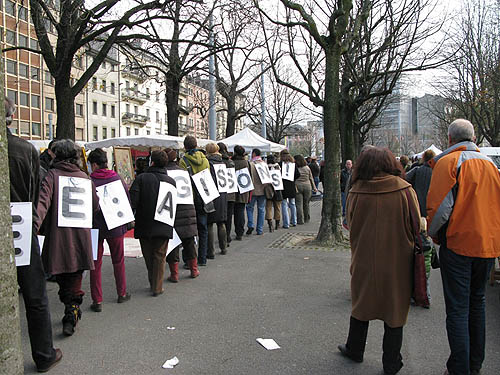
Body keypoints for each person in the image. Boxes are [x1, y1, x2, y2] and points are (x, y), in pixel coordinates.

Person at [426, 119, 500, 375]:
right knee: (477, 304)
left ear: (449, 139)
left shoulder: (448, 163)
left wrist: (434, 237)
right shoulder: (491, 165)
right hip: (488, 245)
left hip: (459, 245)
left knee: (457, 308)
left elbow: (438, 211)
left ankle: (459, 368)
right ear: (474, 138)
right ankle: (474, 364)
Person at [338, 147, 419, 375]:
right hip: (398, 259)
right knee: (394, 310)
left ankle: (355, 349)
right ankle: (391, 362)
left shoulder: (356, 191)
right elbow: (415, 225)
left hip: (364, 257)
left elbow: (350, 224)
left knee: (361, 304)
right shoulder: (405, 190)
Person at [6, 98, 62, 372]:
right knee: (35, 295)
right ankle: (43, 354)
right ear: (12, 117)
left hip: (20, 224)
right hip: (20, 227)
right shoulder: (24, 149)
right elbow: (32, 192)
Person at [36, 139, 99, 337]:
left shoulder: (52, 175)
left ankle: (71, 311)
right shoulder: (85, 178)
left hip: (59, 238)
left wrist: (33, 227)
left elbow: (42, 204)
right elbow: (95, 205)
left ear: (58, 155)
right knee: (75, 274)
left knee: (63, 276)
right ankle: (72, 309)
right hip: (80, 236)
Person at [87, 148, 131, 313]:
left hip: (95, 226)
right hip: (115, 225)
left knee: (95, 264)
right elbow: (126, 199)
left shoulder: (89, 181)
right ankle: (122, 292)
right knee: (118, 260)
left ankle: (97, 300)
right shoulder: (117, 178)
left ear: (95, 164)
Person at [129, 150, 176, 296]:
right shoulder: (171, 181)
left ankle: (153, 282)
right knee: (160, 255)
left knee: (148, 254)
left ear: (152, 162)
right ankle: (157, 286)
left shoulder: (142, 178)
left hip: (144, 222)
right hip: (164, 222)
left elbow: (133, 201)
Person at [406, 149, 436, 306]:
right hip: (431, 206)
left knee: (418, 231)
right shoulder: (436, 171)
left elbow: (404, 179)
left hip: (418, 206)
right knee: (426, 232)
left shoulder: (417, 170)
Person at [164, 148, 200, 278]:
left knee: (173, 242)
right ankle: (194, 270)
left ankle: (174, 274)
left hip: (171, 210)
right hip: (188, 207)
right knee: (189, 241)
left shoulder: (165, 172)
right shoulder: (184, 171)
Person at [179, 135, 210, 266]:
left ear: (185, 147)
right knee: (203, 229)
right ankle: (202, 258)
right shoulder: (205, 160)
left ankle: (189, 260)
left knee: (189, 231)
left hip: (190, 199)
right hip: (203, 197)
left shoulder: (183, 161)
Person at [205, 143, 228, 258]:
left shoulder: (209, 164)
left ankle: (211, 251)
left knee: (209, 224)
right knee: (221, 222)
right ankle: (223, 247)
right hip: (223, 195)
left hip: (212, 195)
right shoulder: (222, 163)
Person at [246, 148, 268, 235]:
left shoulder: (251, 164)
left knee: (249, 208)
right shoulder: (264, 164)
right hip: (263, 190)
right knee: (261, 209)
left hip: (253, 190)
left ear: (254, 154)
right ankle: (260, 229)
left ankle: (250, 224)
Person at [218, 142, 235, 244]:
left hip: (222, 193)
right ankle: (227, 236)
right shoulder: (230, 162)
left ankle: (223, 239)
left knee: (221, 219)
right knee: (228, 217)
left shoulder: (219, 162)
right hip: (231, 192)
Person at [232, 145, 250, 240]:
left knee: (234, 211)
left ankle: (237, 231)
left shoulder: (232, 162)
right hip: (244, 190)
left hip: (233, 190)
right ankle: (240, 232)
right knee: (240, 211)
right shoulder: (246, 163)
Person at [294, 154, 317, 225]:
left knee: (298, 204)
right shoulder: (307, 168)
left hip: (297, 186)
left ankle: (300, 220)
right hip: (307, 186)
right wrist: (314, 187)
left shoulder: (295, 168)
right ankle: (307, 218)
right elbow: (311, 178)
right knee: (306, 204)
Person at [280, 149, 300, 228]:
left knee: (284, 204)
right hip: (291, 185)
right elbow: (298, 174)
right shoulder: (293, 165)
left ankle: (286, 223)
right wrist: (292, 178)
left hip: (283, 186)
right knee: (292, 204)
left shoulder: (280, 164)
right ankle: (294, 221)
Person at [265, 154, 282, 232]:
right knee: (277, 208)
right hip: (277, 188)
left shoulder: (265, 167)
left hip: (268, 189)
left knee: (268, 208)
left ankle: (270, 224)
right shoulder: (278, 167)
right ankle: (277, 224)